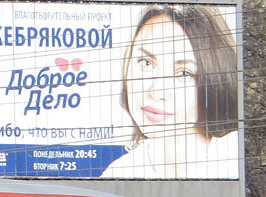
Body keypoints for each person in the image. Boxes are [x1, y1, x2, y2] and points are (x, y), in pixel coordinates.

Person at [100, 5, 238, 180]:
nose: (156, 91)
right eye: (146, 63)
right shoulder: (118, 174)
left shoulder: (235, 160)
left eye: (183, 73)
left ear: (215, 80)